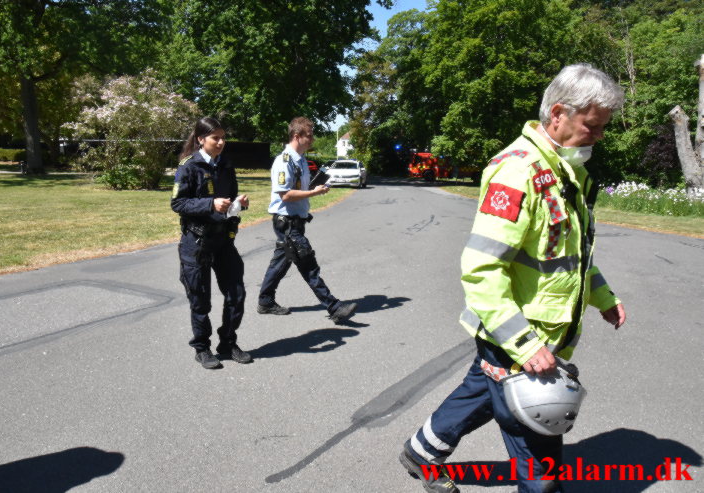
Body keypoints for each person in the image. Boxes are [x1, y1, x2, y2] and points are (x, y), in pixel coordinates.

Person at [399, 64, 627, 493]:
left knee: (483, 390)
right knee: (541, 449)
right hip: (520, 336)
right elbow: (482, 269)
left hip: (543, 336)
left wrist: (604, 297)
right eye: (592, 126)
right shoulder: (517, 172)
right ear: (557, 113)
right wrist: (525, 343)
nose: (599, 136)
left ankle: (421, 451)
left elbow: (571, 257)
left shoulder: (567, 172)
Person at [257, 117, 357, 324]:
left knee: (282, 261)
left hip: (296, 219)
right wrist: (313, 192)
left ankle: (265, 301)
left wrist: (314, 187)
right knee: (307, 263)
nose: (312, 139)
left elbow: (300, 189)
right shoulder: (284, 161)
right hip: (287, 221)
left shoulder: (300, 159)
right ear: (297, 136)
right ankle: (333, 306)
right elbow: (285, 195)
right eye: (309, 135)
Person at [171, 116, 251, 369]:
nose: (221, 142)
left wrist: (239, 204)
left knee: (236, 294)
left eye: (223, 137)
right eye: (216, 137)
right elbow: (178, 203)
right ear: (201, 139)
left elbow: (229, 199)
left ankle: (227, 342)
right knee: (200, 298)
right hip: (196, 242)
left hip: (222, 240)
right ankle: (202, 348)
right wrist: (209, 204)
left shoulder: (226, 164)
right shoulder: (188, 167)